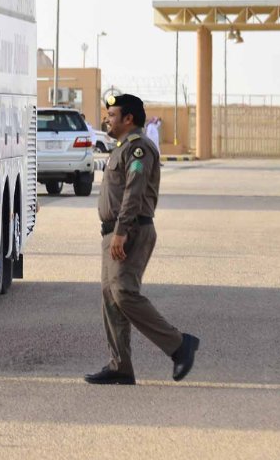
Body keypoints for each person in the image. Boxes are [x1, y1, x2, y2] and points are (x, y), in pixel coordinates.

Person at [85, 93, 199, 385]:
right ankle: (120, 366)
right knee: (111, 299)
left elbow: (133, 192)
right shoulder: (121, 147)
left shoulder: (139, 149)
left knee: (124, 293)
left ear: (128, 119)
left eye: (112, 115)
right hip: (114, 232)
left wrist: (121, 232)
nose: (107, 120)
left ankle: (178, 345)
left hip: (131, 231)